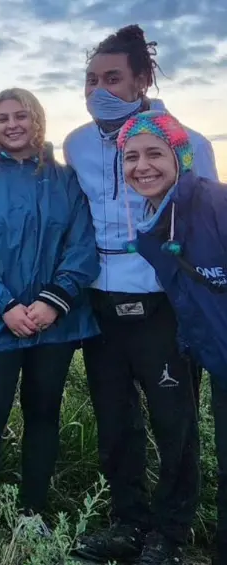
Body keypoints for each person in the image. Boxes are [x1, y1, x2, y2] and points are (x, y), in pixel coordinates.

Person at [65, 24, 218, 564]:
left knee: (173, 420)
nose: (98, 89)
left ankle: (171, 533)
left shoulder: (188, 141)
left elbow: (201, 227)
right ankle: (127, 523)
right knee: (114, 418)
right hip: (101, 302)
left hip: (162, 304)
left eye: (112, 78)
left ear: (142, 79)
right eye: (90, 79)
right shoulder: (77, 143)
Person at [0, 88, 99, 560]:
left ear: (38, 120)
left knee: (42, 415)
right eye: (4, 117)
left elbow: (82, 243)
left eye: (22, 116)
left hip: (53, 321)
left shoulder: (64, 179)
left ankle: (32, 515)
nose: (13, 124)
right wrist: (5, 305)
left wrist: (54, 302)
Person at [116, 111, 227, 565]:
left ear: (180, 157)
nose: (142, 166)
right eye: (131, 156)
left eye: (154, 153)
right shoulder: (157, 221)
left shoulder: (214, 204)